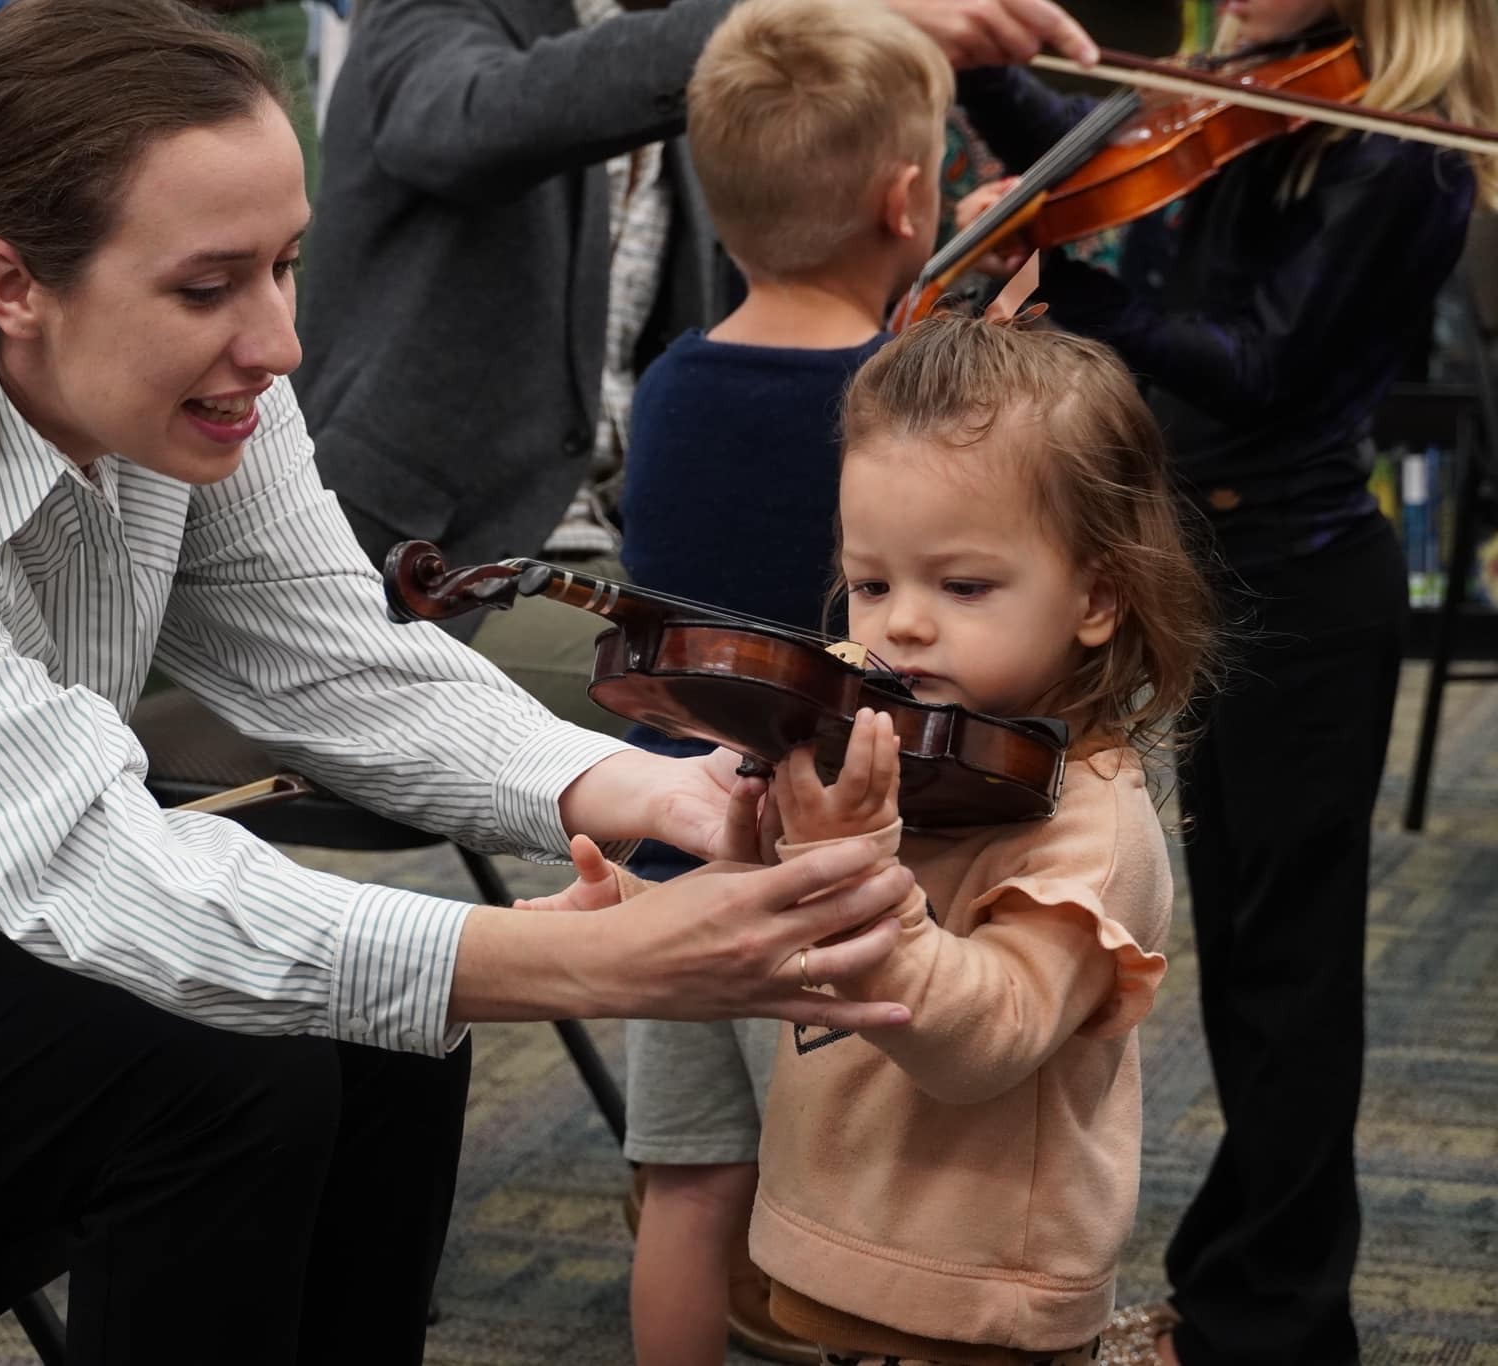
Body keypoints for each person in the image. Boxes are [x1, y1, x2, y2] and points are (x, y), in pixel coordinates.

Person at [0, 3, 926, 1363]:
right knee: (230, 1084)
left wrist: (672, 794)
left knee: (369, 1029)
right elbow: (94, 869)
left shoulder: (180, 391)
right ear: (8, 283)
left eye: (288, 264)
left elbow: (345, 666)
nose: (280, 343)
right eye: (212, 284)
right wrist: (592, 965)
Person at [950, 2, 1498, 1360]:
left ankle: (1285, 1316)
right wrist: (988, 62)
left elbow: (1260, 365)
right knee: (1252, 962)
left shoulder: (1403, 151)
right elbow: (1089, 164)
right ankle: (1237, 1291)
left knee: (1292, 979)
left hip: (1305, 593)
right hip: (1229, 574)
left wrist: (1067, 287)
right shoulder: (1267, 94)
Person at [528, 315, 1219, 1364]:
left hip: (977, 1300)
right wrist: (630, 919)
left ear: (1095, 594)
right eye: (872, 583)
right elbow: (769, 925)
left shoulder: (1088, 819)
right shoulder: (891, 757)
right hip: (826, 1249)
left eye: (963, 586)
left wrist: (846, 865)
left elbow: (984, 1038)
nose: (898, 627)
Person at [292, 0, 1100, 730]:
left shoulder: (671, 39)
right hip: (443, 569)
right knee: (806, 700)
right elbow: (457, 120)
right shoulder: (456, 23)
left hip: (618, 558)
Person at [603, 1, 953, 1361]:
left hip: (678, 846)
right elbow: (884, 653)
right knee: (857, 1208)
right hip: (848, 861)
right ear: (908, 198)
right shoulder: (904, 406)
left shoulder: (674, 385)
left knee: (689, 1182)